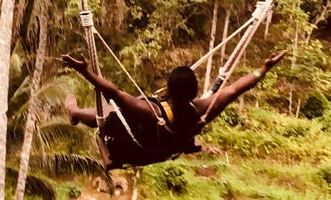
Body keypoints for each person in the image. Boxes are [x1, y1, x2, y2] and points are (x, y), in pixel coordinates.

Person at [61, 50, 288, 169]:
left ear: (168, 87)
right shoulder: (201, 109)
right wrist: (263, 69)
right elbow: (235, 89)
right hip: (164, 148)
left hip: (131, 147)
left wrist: (85, 71)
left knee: (112, 112)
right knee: (117, 108)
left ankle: (75, 112)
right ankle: (77, 113)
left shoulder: (152, 113)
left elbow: (115, 93)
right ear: (194, 91)